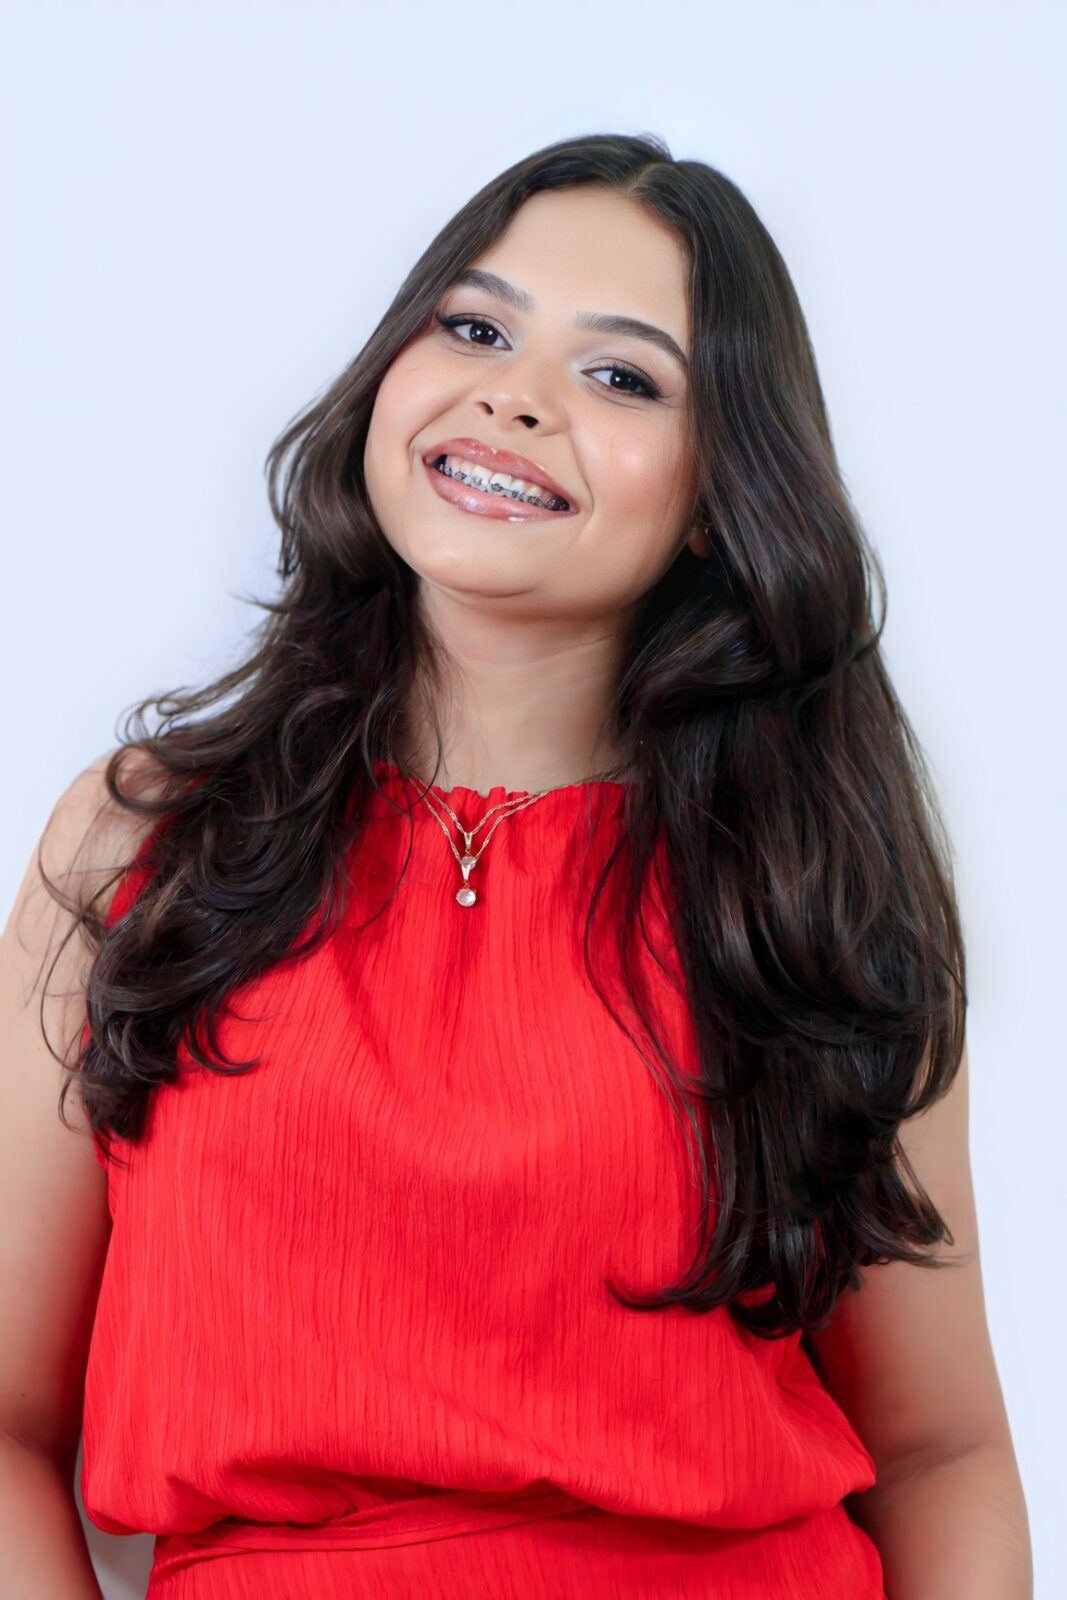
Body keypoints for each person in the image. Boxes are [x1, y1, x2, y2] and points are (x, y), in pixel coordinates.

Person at [0, 132, 1032, 1598]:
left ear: (721, 491)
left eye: (622, 376)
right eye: (477, 330)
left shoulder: (810, 888)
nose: (517, 395)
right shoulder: (139, 847)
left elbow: (941, 1450)